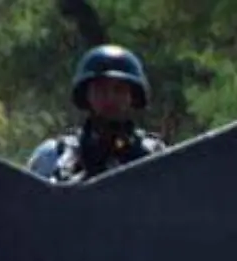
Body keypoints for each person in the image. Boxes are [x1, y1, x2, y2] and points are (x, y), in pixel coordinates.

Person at [27, 45, 167, 184]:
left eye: (119, 90)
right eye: (100, 89)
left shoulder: (156, 156)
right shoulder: (53, 156)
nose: (110, 98)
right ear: (86, 94)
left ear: (133, 96)